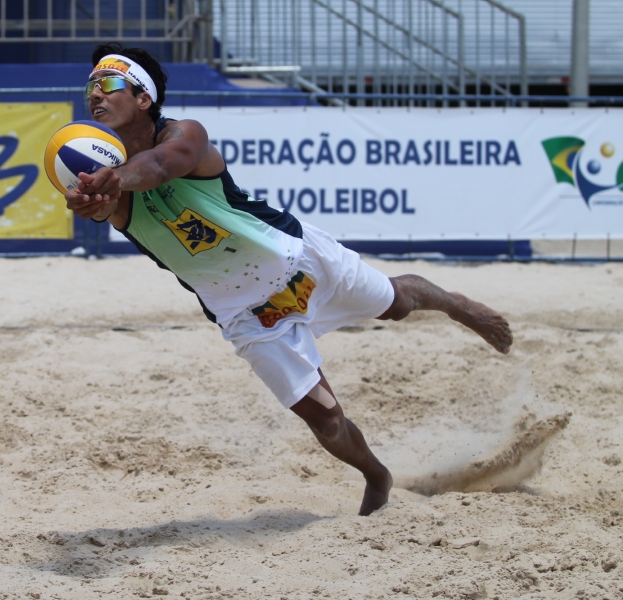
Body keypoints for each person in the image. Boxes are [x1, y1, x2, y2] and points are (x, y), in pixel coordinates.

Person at [65, 43, 513, 516]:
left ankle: (458, 306)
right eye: (90, 86)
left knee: (398, 302)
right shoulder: (98, 176)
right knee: (326, 419)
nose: (95, 94)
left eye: (108, 84)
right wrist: (89, 202)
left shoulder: (185, 135)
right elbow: (101, 204)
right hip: (244, 311)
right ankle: (378, 475)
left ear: (143, 99)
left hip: (299, 260)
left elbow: (159, 166)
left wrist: (114, 179)